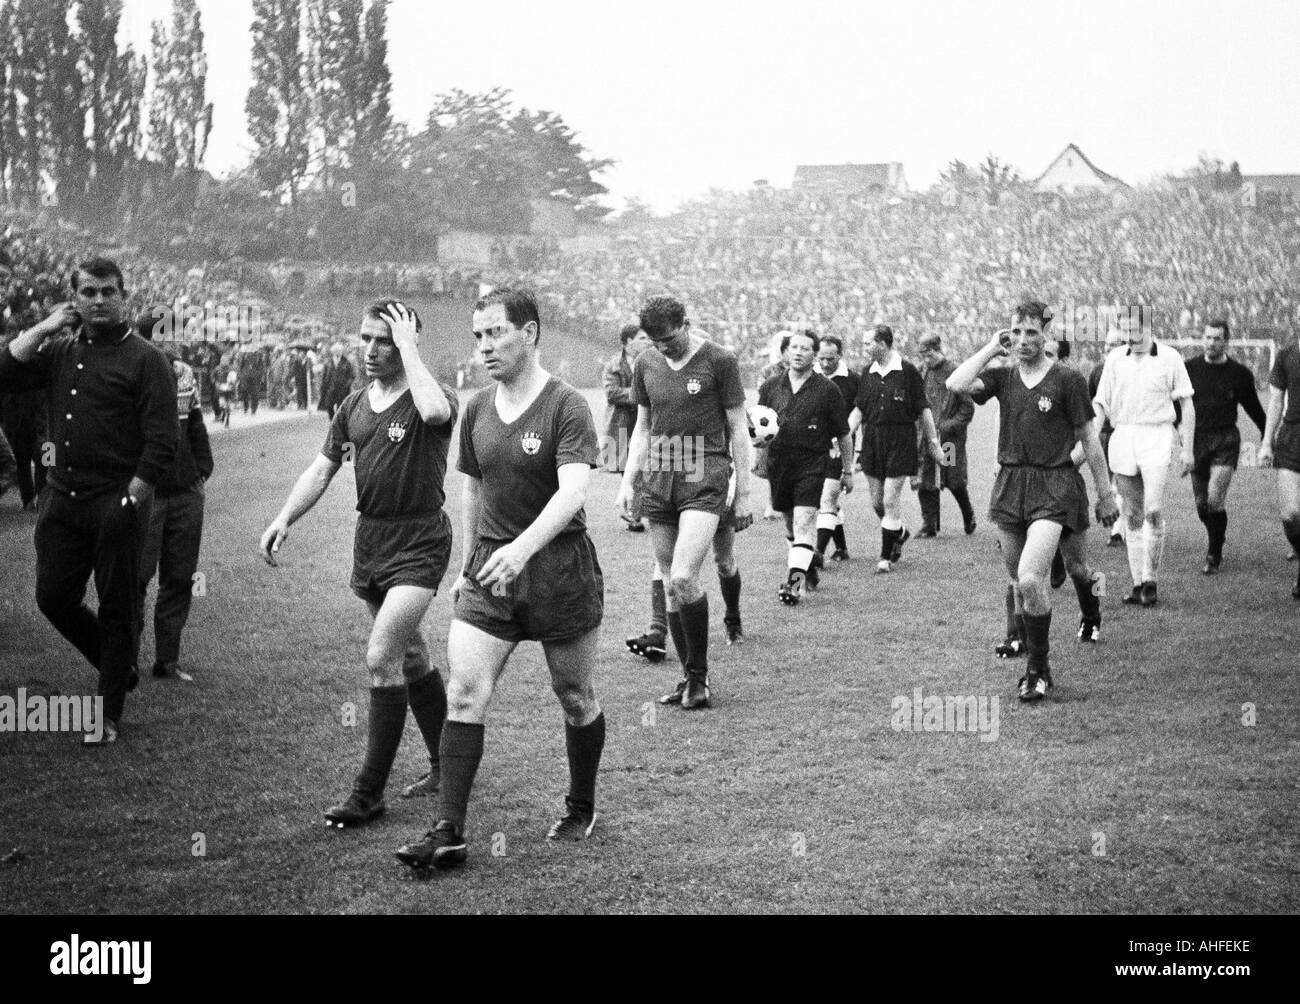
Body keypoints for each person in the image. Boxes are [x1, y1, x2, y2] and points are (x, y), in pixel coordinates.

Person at [395, 288, 605, 870]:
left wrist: (523, 549)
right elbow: (472, 486)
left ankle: (581, 805)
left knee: (575, 695)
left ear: (530, 333)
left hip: (558, 568)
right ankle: (449, 831)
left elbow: (574, 493)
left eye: (496, 334)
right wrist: (470, 565)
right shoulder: (477, 407)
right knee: (464, 693)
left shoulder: (567, 405)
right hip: (491, 570)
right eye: (477, 335)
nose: (484, 346)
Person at [260, 301, 456, 828]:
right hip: (371, 539)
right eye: (366, 338)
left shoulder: (429, 398)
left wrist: (411, 347)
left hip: (420, 538)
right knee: (412, 657)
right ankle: (446, 764)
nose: (371, 350)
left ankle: (367, 794)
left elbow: (438, 415)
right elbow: (322, 470)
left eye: (385, 341)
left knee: (380, 657)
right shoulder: (351, 405)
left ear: (408, 345)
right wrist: (284, 517)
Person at [0, 256, 178, 744]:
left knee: (118, 605)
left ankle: (108, 714)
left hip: (115, 498)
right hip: (62, 498)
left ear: (124, 296)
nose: (99, 301)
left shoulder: (146, 359)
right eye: (88, 293)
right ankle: (118, 666)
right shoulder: (60, 350)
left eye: (107, 292)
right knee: (52, 596)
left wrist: (133, 499)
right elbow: (5, 371)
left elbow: (162, 442)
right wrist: (46, 324)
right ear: (74, 299)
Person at [947, 301, 1118, 702]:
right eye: (1016, 333)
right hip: (1010, 485)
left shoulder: (1067, 380)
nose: (1023, 341)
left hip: (1055, 484)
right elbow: (956, 385)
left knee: (1048, 574)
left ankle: (1040, 669)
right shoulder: (1003, 379)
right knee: (1021, 583)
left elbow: (1089, 439)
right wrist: (991, 347)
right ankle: (1042, 656)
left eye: (1031, 333)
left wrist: (1105, 492)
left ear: (1046, 334)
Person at [616, 296, 752, 710]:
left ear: (687, 323)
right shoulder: (646, 363)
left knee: (682, 578)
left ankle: (699, 677)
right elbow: (642, 427)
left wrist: (743, 491)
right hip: (660, 474)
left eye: (670, 338)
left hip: (704, 470)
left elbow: (738, 426)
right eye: (655, 341)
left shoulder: (720, 360)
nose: (664, 347)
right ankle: (690, 679)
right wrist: (627, 481)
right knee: (670, 583)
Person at [1092, 308, 1196, 607]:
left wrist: (1187, 448)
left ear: (1148, 327)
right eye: (1124, 329)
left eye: (1134, 329)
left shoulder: (1169, 357)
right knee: (1133, 513)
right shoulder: (1114, 359)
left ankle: (1151, 579)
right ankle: (1138, 584)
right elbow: (1100, 405)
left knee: (1153, 509)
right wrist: (1087, 445)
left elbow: (1186, 405)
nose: (1129, 335)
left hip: (1157, 434)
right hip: (1123, 435)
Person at [136, 308, 214, 680]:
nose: (181, 338)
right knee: (136, 577)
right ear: (152, 337)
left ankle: (167, 660)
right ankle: (123, 659)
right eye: (172, 332)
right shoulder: (133, 372)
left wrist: (202, 469)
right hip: (146, 492)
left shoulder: (184, 373)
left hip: (186, 491)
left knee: (180, 577)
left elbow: (196, 423)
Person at [757, 329, 852, 604]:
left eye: (805, 348)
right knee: (790, 526)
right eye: (794, 347)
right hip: (779, 465)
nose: (798, 352)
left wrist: (848, 471)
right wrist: (759, 458)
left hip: (811, 464)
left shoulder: (827, 390)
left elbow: (843, 434)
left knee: (804, 521)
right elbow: (758, 426)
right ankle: (807, 569)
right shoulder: (771, 386)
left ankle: (794, 585)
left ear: (814, 355)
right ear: (786, 352)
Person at [846, 325, 946, 573]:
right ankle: (898, 532)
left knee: (890, 499)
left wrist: (933, 444)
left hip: (901, 440)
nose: (864, 347)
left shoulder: (908, 371)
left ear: (883, 343)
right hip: (872, 440)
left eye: (868, 343)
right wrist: (845, 433)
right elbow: (859, 408)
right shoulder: (867, 371)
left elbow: (923, 409)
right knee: (877, 502)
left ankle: (884, 558)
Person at [1184, 319, 1266, 574]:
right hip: (1197, 440)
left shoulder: (1239, 374)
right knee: (1201, 505)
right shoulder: (1189, 369)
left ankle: (1213, 555)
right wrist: (1177, 430)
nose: (1211, 342)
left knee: (1214, 499)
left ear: (1226, 341)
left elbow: (1254, 408)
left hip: (1225, 440)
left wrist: (1267, 437)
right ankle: (1217, 535)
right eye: (1208, 337)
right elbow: (1178, 405)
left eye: (1217, 338)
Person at [915, 332, 976, 538]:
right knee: (925, 479)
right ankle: (929, 524)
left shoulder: (955, 372)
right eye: (921, 354)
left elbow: (967, 408)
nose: (924, 359)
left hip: (949, 440)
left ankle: (968, 515)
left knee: (953, 479)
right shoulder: (922, 371)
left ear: (935, 350)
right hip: (926, 438)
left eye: (926, 353)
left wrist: (947, 426)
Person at [1257, 329, 1300, 598]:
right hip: (1293, 435)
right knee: (1291, 514)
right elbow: (1275, 401)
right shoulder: (1286, 354)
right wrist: (1265, 442)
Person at [814, 334, 860, 561]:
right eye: (821, 358)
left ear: (839, 356)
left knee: (827, 499)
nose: (824, 364)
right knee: (825, 500)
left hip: (840, 446)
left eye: (830, 359)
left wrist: (853, 460)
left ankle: (817, 553)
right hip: (812, 447)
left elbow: (861, 415)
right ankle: (841, 548)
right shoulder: (809, 376)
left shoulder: (853, 380)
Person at [1089, 328, 1127, 547]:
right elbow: (1088, 404)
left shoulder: (1133, 371)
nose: (1109, 350)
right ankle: (1118, 526)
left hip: (1125, 435)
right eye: (1107, 346)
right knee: (1110, 481)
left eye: (1114, 345)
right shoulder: (1097, 372)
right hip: (1103, 436)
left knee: (1121, 482)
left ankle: (1118, 530)